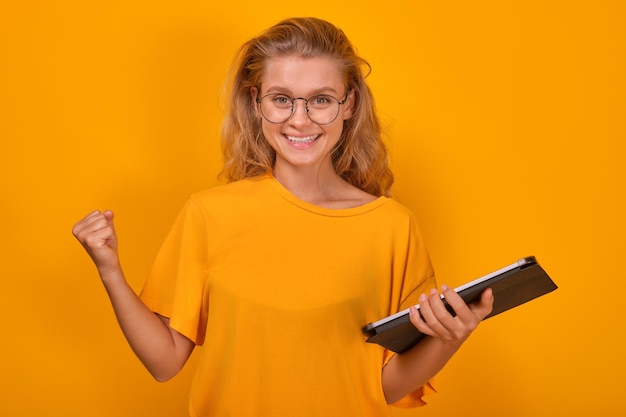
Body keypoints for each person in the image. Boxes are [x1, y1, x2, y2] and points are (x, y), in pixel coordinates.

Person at [72, 17, 494, 417]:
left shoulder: (392, 226)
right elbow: (164, 363)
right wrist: (109, 270)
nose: (299, 119)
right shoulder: (208, 213)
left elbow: (383, 386)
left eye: (321, 100)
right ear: (256, 103)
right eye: (281, 99)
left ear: (349, 105)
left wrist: (450, 338)